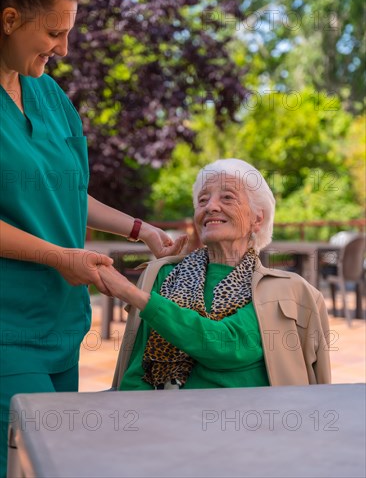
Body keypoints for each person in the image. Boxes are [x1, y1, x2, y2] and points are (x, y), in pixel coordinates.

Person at [0, 0, 186, 475]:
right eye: (54, 33)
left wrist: (139, 229)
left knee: (54, 463)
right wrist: (62, 258)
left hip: (61, 325)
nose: (63, 49)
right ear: (9, 19)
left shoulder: (49, 96)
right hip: (8, 330)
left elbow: (62, 192)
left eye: (69, 33)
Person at [99, 158, 332, 392]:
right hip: (170, 419)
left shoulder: (279, 289)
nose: (210, 206)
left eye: (227, 197)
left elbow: (226, 345)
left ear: (257, 219)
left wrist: (131, 293)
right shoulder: (165, 274)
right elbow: (139, 372)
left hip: (253, 422)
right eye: (203, 200)